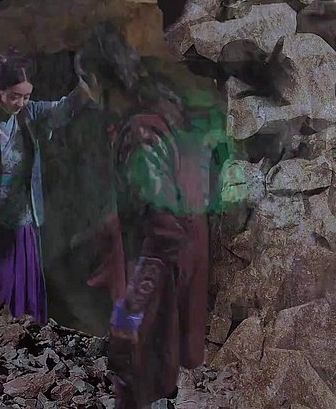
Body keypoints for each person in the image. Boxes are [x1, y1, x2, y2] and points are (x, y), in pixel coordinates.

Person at [73, 24, 226, 408]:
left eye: (84, 82)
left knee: (141, 385)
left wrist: (131, 311)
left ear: (98, 80)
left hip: (159, 286)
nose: (84, 92)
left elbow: (164, 228)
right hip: (173, 273)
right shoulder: (159, 108)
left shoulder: (141, 132)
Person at [0, 48, 99, 324]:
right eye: (15, 96)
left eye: (26, 96)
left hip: (22, 226)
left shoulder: (30, 115)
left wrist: (85, 87)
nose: (21, 103)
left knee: (22, 308)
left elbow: (63, 110)